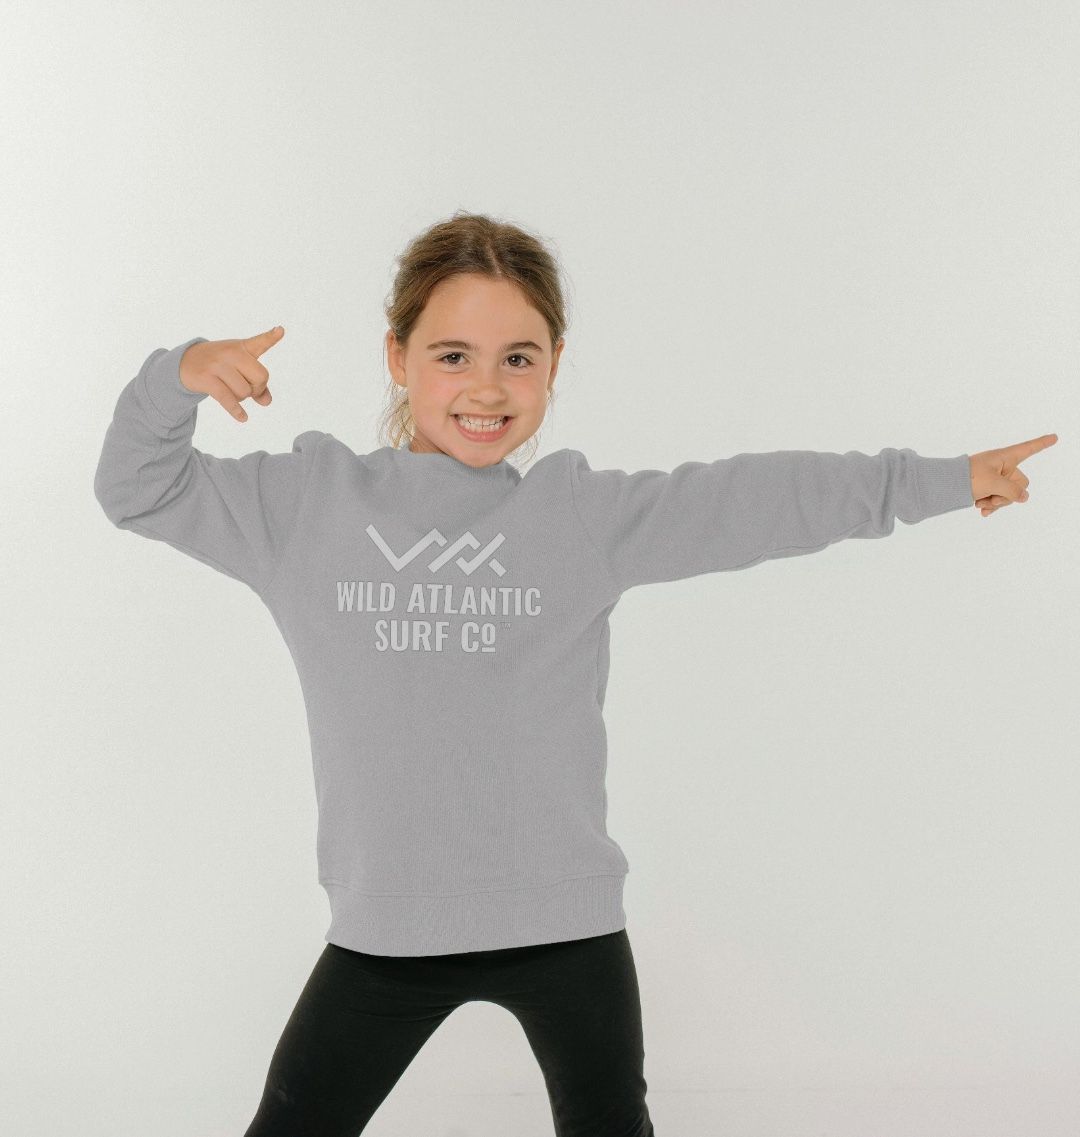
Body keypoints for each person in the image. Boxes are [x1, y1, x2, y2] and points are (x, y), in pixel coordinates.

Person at [92, 210, 1056, 1137]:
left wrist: (938, 479)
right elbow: (137, 487)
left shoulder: (577, 518)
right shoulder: (309, 506)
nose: (487, 386)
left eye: (519, 358)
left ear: (554, 364)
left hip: (565, 926)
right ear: (397, 357)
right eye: (452, 355)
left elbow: (754, 498)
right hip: (385, 935)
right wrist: (176, 377)